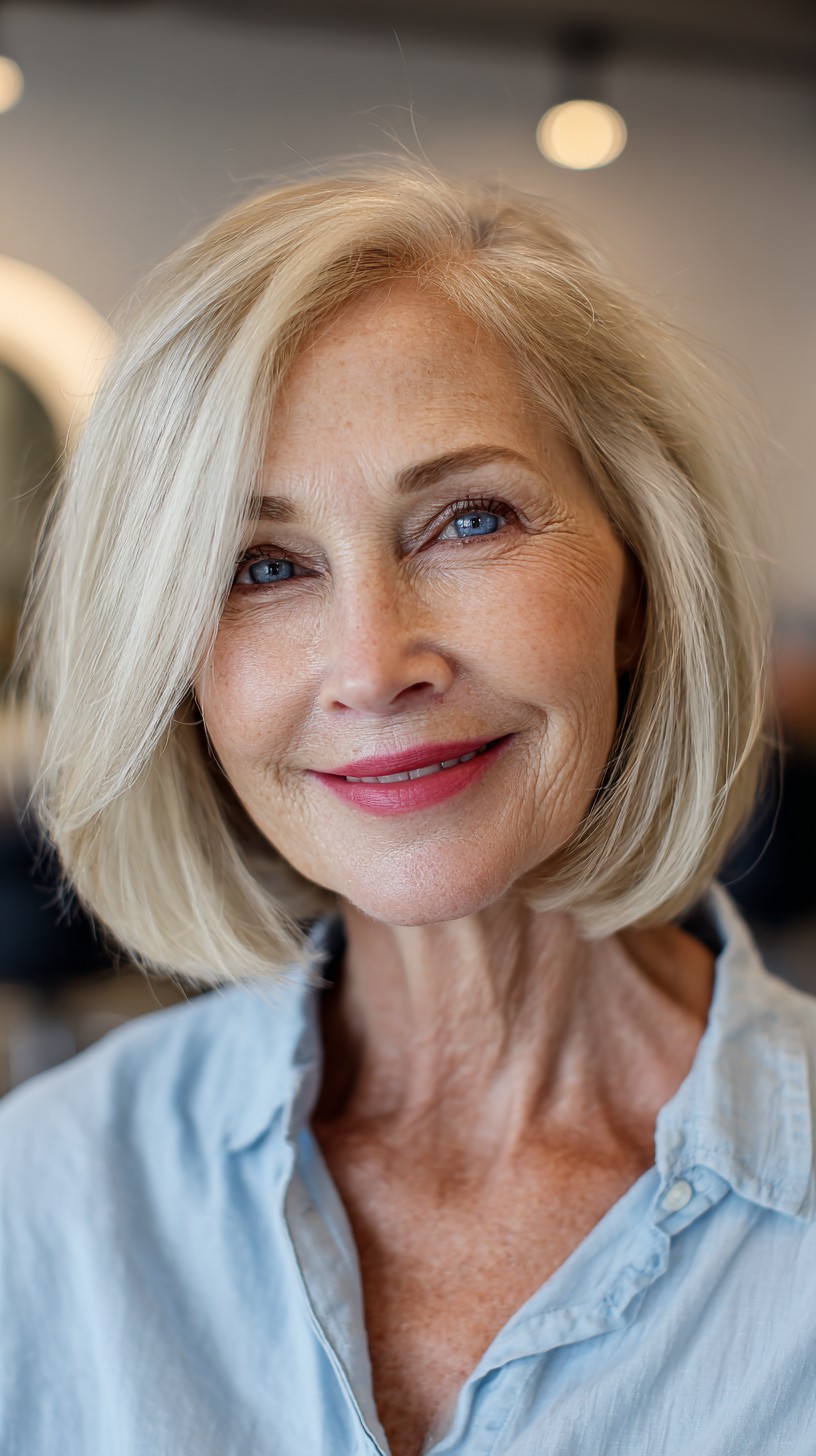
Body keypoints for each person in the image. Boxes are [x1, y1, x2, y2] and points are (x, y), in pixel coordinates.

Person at [2, 164, 814, 1456]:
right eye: (264, 565)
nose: (376, 664)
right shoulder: (42, 1199)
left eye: (469, 519)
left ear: (641, 587)